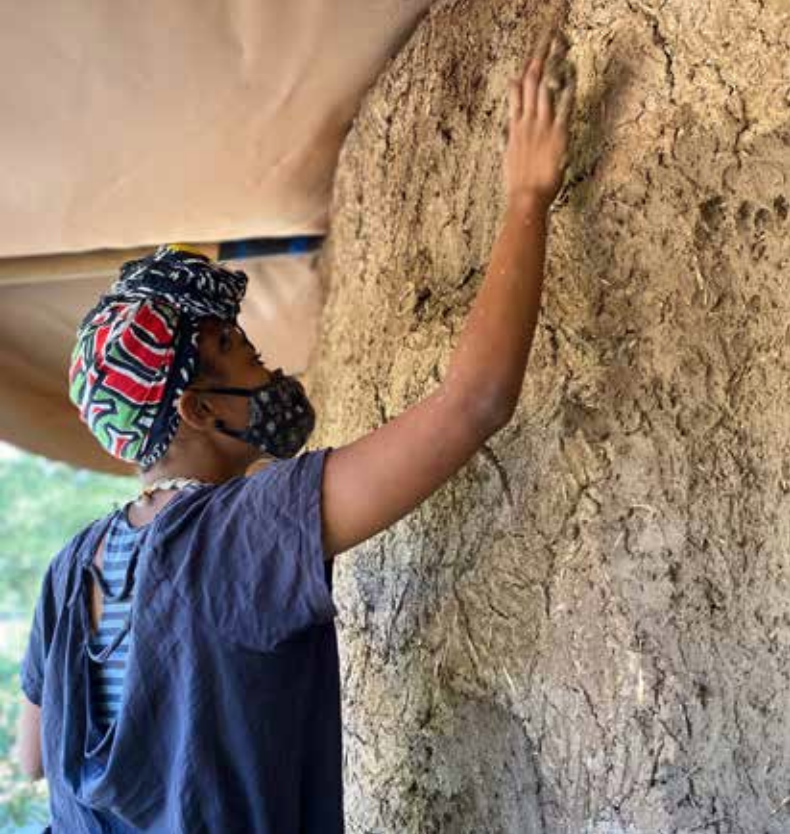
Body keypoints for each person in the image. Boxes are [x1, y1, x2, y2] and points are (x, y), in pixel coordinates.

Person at [15, 34, 575, 834]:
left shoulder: (72, 568)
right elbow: (473, 404)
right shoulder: (246, 531)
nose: (266, 365)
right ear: (197, 410)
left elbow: (33, 756)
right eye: (237, 351)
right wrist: (525, 198)